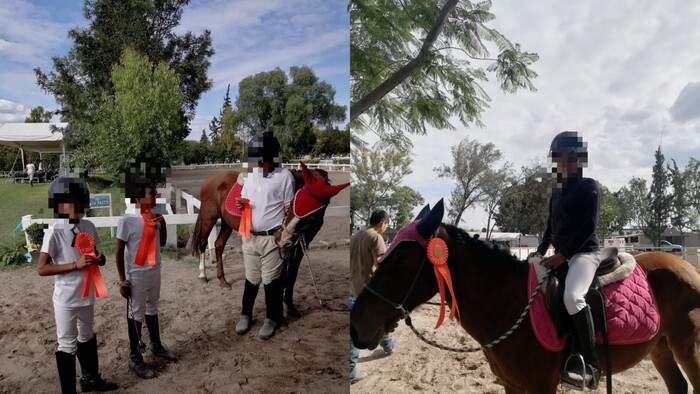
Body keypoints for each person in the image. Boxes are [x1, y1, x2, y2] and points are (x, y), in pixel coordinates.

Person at [529, 131, 601, 389]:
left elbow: (587, 227)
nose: (565, 162)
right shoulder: (557, 192)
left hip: (583, 254)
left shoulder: (589, 186)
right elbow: (550, 228)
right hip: (561, 255)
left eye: (571, 158)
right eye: (560, 158)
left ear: (580, 160)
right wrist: (540, 250)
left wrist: (563, 255)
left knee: (572, 297)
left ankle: (591, 365)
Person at [37, 176, 118, 393]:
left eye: (79, 201)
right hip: (66, 298)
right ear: (58, 203)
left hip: (87, 293)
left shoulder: (88, 225)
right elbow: (42, 269)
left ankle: (91, 379)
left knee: (87, 335)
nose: (76, 206)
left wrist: (100, 259)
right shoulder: (54, 231)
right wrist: (75, 264)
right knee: (67, 343)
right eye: (70, 202)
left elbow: (96, 254)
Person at [116, 161, 177, 379]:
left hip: (154, 270)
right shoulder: (128, 220)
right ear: (139, 197)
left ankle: (156, 345)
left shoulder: (154, 215)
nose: (156, 195)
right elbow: (118, 252)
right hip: (137, 274)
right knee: (136, 313)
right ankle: (135, 357)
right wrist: (123, 280)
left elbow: (161, 244)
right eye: (152, 192)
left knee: (153, 307)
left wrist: (163, 223)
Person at [234, 130, 295, 340]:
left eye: (261, 160)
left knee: (271, 281)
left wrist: (284, 234)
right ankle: (245, 314)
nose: (258, 165)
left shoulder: (285, 177)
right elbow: (244, 200)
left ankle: (271, 318)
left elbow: (289, 209)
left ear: (271, 158)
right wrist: (241, 204)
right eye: (256, 160)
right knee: (251, 279)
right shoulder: (251, 177)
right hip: (250, 236)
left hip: (272, 239)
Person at [349, 209, 393, 384]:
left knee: (378, 322)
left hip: (353, 288)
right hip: (368, 292)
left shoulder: (355, 237)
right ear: (382, 223)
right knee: (356, 332)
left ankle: (389, 345)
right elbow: (382, 265)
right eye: (386, 225)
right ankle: (350, 372)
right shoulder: (376, 237)